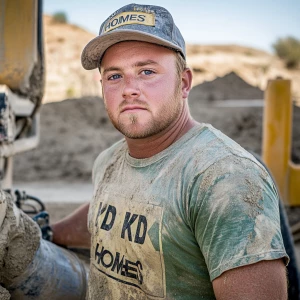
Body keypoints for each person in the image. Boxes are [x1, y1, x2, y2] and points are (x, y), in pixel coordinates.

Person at [52, 3, 289, 299]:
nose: (129, 89)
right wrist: (44, 232)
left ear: (184, 82)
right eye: (114, 76)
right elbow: (107, 218)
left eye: (147, 71)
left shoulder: (224, 179)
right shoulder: (109, 161)